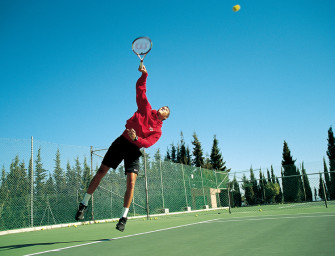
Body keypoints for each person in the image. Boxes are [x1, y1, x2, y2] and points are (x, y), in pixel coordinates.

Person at [75, 65, 170, 232]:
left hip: (134, 149)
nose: (163, 108)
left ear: (166, 118)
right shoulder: (145, 108)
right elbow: (140, 89)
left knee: (131, 184)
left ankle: (123, 217)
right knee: (101, 172)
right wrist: (144, 75)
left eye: (166, 110)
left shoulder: (158, 131)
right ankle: (83, 204)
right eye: (163, 106)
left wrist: (137, 138)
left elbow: (147, 143)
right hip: (121, 142)